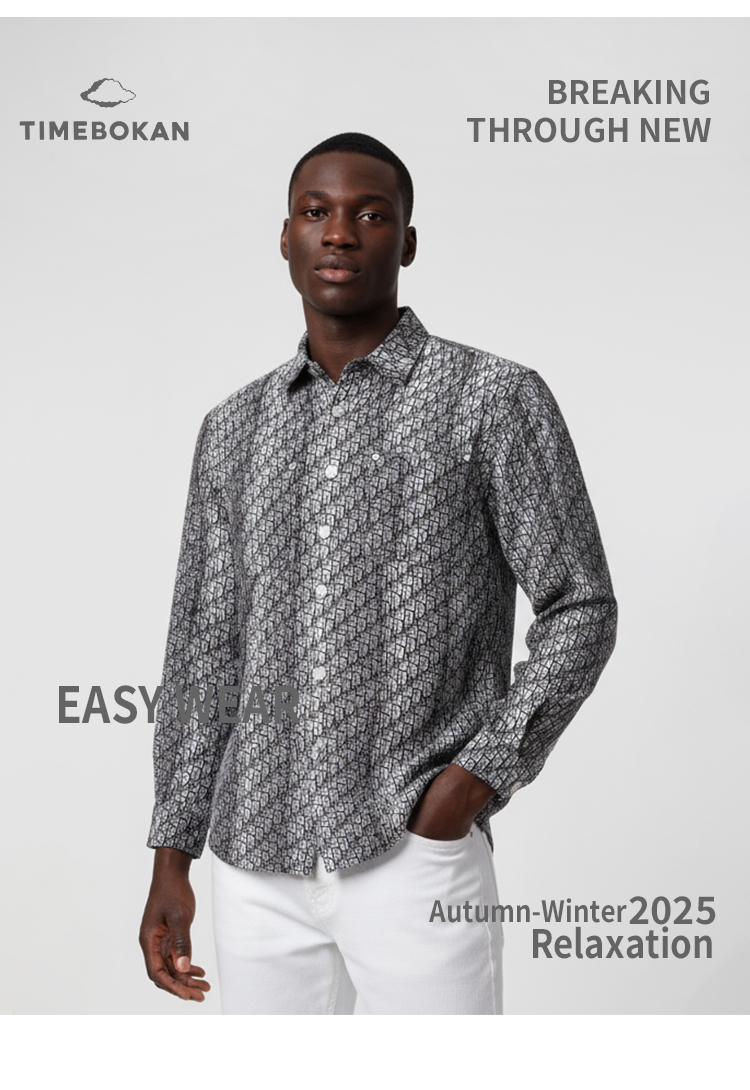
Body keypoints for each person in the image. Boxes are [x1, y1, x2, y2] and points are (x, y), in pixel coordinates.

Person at [138, 132, 617, 1015]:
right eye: (315, 212)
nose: (339, 233)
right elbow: (204, 648)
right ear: (286, 239)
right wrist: (174, 856)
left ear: (408, 241)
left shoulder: (492, 399)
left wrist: (473, 782)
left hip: (413, 850)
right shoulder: (232, 429)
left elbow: (580, 603)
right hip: (253, 864)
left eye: (370, 214)